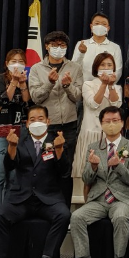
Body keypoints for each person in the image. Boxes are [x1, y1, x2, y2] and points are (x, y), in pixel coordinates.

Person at [0, 105, 71, 258]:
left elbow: (64, 172)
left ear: (48, 121)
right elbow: (9, 166)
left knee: (63, 215)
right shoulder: (19, 140)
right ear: (27, 123)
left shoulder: (57, 141)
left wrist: (59, 150)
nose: (36, 122)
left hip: (48, 198)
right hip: (21, 197)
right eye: (32, 119)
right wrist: (11, 147)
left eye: (40, 118)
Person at [70, 106, 129, 258]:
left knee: (121, 217)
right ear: (101, 124)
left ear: (122, 123)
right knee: (76, 217)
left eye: (115, 120)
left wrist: (118, 166)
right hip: (99, 199)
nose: (111, 124)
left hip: (122, 199)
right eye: (107, 121)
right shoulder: (93, 147)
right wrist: (92, 167)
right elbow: (86, 179)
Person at [28, 31, 83, 206]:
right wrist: (50, 83)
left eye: (62, 45)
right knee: (46, 167)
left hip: (69, 126)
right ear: (47, 46)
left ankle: (64, 208)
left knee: (66, 169)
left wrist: (67, 86)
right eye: (54, 45)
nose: (58, 48)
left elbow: (77, 97)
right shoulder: (36, 68)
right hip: (46, 127)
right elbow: (35, 97)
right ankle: (46, 206)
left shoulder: (75, 67)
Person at [0, 49, 31, 214]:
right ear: (7, 64)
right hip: (0, 133)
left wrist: (23, 84)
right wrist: (13, 82)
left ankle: (8, 212)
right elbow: (3, 100)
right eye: (13, 61)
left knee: (13, 177)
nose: (17, 64)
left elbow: (27, 103)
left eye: (21, 61)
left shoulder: (26, 79)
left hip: (20, 132)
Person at [73, 53, 122, 183]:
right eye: (102, 65)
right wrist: (103, 85)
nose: (106, 68)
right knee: (87, 173)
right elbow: (94, 104)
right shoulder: (88, 84)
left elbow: (116, 105)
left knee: (108, 173)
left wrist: (110, 85)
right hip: (90, 133)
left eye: (109, 65)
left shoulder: (117, 87)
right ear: (96, 67)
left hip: (109, 134)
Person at [72, 12, 124, 82]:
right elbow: (74, 67)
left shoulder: (115, 47)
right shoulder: (82, 44)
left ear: (108, 28)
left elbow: (118, 71)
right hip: (83, 85)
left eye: (104, 24)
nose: (100, 26)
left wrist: (107, 84)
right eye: (97, 23)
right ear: (91, 26)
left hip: (107, 85)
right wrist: (81, 53)